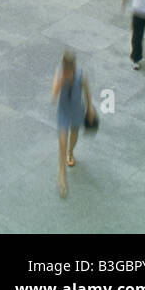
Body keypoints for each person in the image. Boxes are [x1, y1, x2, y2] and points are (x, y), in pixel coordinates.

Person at [52, 49, 92, 198]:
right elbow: (53, 95)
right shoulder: (60, 73)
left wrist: (90, 108)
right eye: (66, 68)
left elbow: (87, 91)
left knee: (74, 135)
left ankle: (71, 152)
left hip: (76, 110)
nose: (69, 71)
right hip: (63, 111)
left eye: (71, 68)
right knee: (62, 140)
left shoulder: (80, 75)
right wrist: (61, 80)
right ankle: (62, 173)